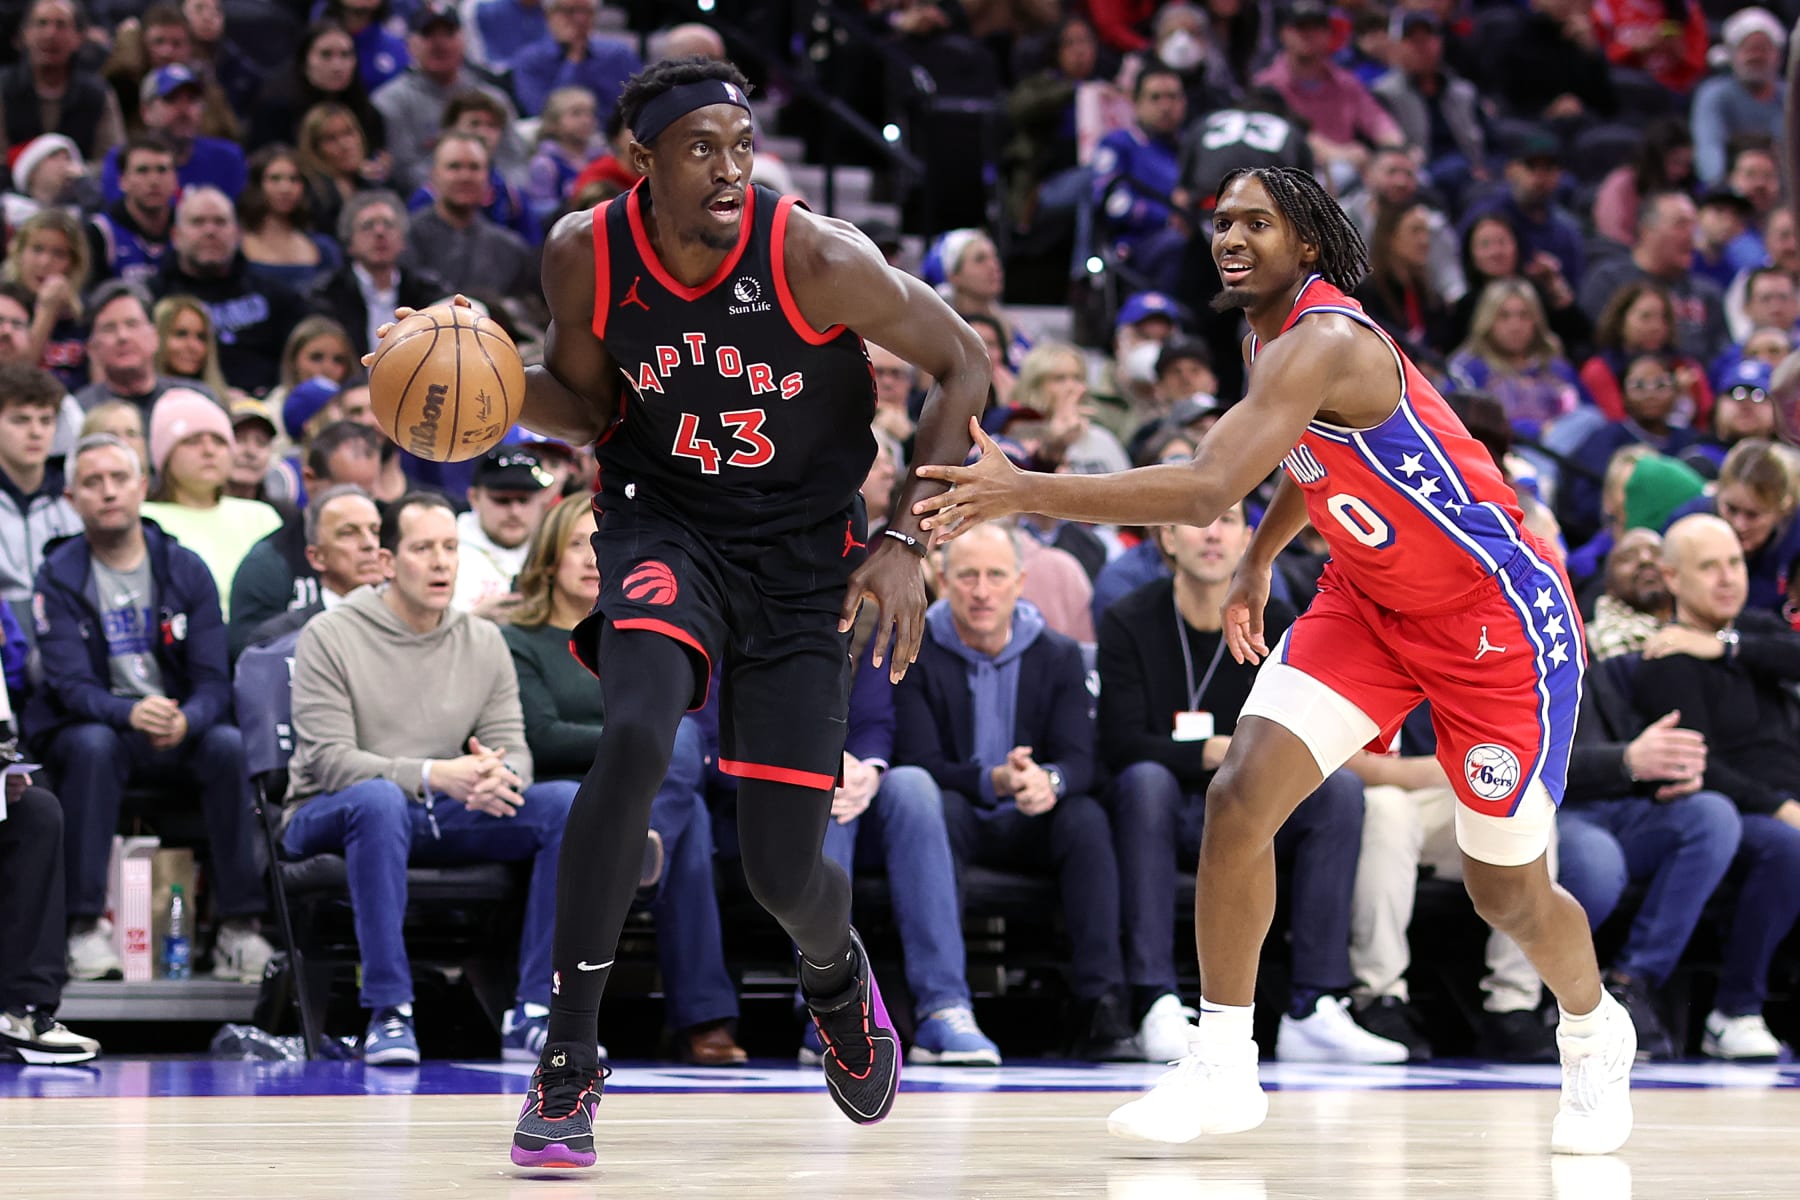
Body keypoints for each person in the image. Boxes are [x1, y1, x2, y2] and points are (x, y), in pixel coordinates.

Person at [914, 164, 1633, 1154]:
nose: (1230, 237)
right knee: (1240, 796)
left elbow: (1210, 485)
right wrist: (1260, 558)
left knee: (1500, 888)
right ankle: (1223, 1065)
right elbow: (1306, 456)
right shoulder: (1271, 337)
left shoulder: (1329, 339)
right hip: (1371, 598)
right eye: (1219, 222)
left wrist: (1025, 489)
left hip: (1493, 622)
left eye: (1257, 220)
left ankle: (1595, 1032)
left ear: (1308, 241)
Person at [364, 57, 987, 1167]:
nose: (730, 168)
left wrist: (902, 541)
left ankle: (836, 976)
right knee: (639, 732)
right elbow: (588, 404)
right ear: (642, 162)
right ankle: (567, 1063)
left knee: (783, 872)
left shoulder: (812, 253)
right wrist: (478, 370)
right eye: (702, 147)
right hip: (664, 522)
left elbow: (964, 360)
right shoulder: (582, 252)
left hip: (808, 554)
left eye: (743, 146)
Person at [284, 491, 582, 1065]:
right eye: (423, 548)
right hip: (329, 808)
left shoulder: (483, 641)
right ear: (388, 561)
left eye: (450, 547)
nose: (443, 562)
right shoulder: (330, 635)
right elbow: (329, 761)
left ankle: (535, 1011)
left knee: (563, 804)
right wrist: (432, 773)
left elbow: (514, 747)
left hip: (438, 808)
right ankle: (389, 1010)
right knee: (377, 802)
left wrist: (497, 774)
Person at [502, 494, 744, 1065]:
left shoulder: (652, 635)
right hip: (564, 788)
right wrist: (626, 738)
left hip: (651, 786)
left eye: (600, 545)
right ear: (547, 560)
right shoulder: (521, 639)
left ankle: (641, 848)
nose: (591, 559)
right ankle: (704, 1016)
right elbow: (541, 732)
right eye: (575, 547)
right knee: (676, 761)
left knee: (683, 795)